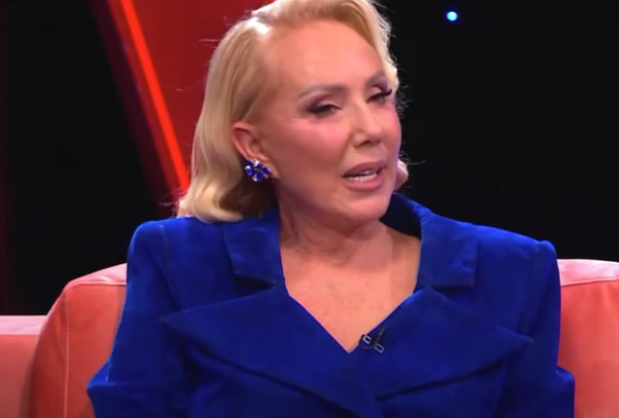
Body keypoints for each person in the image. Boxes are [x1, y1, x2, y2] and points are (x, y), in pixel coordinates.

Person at [87, 0, 575, 416]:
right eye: (324, 107)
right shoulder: (182, 264)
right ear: (255, 145)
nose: (372, 130)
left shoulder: (510, 270)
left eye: (378, 96)